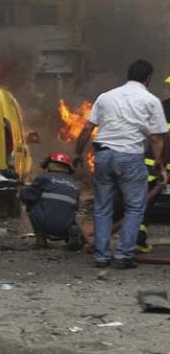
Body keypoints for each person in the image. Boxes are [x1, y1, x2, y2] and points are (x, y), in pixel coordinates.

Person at [74, 59, 167, 269]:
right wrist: (160, 166)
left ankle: (101, 256)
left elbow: (87, 128)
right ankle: (123, 255)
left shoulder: (106, 97)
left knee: (102, 207)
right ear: (148, 78)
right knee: (134, 207)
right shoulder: (151, 101)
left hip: (103, 156)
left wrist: (78, 154)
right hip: (130, 157)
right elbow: (157, 138)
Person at [20, 152, 83, 250]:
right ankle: (70, 236)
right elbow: (75, 208)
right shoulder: (74, 184)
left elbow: (26, 197)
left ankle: (41, 241)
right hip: (66, 226)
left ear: (49, 163)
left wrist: (21, 191)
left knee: (30, 204)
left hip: (45, 224)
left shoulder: (44, 178)